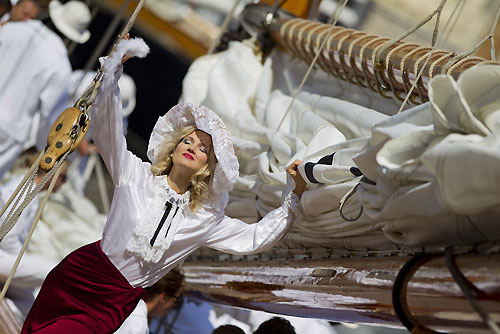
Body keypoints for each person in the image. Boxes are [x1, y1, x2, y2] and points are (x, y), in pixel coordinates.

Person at [20, 37, 307, 333]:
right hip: (80, 275)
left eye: (203, 148)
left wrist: (293, 197)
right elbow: (109, 131)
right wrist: (115, 70)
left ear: (209, 168)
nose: (193, 147)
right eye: (188, 140)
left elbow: (254, 238)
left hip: (114, 302)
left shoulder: (205, 219)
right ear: (172, 148)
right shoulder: (135, 175)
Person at [0, 0, 91, 180]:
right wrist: (43, 146)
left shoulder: (11, 29)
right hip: (9, 132)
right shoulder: (61, 66)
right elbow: (51, 118)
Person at [0, 152, 67, 322]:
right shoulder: (23, 190)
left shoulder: (32, 193)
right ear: (54, 175)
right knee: (55, 271)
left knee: (35, 302)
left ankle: (6, 309)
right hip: (4, 258)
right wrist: (25, 264)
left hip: (8, 257)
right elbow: (6, 237)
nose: (64, 184)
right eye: (64, 178)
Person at [115, 268, 184, 334]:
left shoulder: (128, 305)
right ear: (164, 297)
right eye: (176, 299)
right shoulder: (137, 326)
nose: (173, 305)